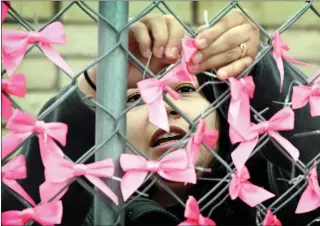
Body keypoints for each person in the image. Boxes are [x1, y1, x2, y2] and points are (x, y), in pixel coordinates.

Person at [2, 10, 320, 226]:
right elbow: (18, 207)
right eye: (135, 99)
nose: (167, 108)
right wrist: (92, 89)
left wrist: (255, 70)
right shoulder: (87, 212)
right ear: (108, 134)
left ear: (223, 116)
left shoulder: (274, 187)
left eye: (184, 88)